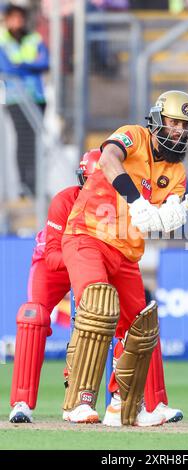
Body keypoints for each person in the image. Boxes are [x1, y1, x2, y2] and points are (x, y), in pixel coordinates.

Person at [61, 90, 188, 426]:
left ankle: (124, 406)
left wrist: (170, 217)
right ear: (157, 120)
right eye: (173, 122)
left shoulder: (177, 174)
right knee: (97, 304)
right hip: (87, 235)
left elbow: (162, 216)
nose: (179, 130)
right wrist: (138, 202)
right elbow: (108, 159)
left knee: (140, 327)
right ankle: (77, 401)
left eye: (186, 125)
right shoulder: (134, 136)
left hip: (126, 254)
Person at [9, 150, 99, 423]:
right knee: (32, 316)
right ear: (82, 179)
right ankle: (22, 403)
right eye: (92, 183)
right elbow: (51, 255)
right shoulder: (64, 201)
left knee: (112, 313)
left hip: (89, 264)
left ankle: (116, 401)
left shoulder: (115, 207)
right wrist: (84, 260)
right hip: (53, 266)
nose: (97, 191)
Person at [0, 4, 49, 196]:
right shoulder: (3, 40)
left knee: (35, 141)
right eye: (13, 17)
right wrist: (31, 65)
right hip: (14, 98)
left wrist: (21, 64)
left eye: (20, 17)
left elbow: (45, 63)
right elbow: (6, 68)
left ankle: (34, 184)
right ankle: (24, 184)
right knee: (23, 141)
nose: (17, 21)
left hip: (35, 96)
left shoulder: (33, 38)